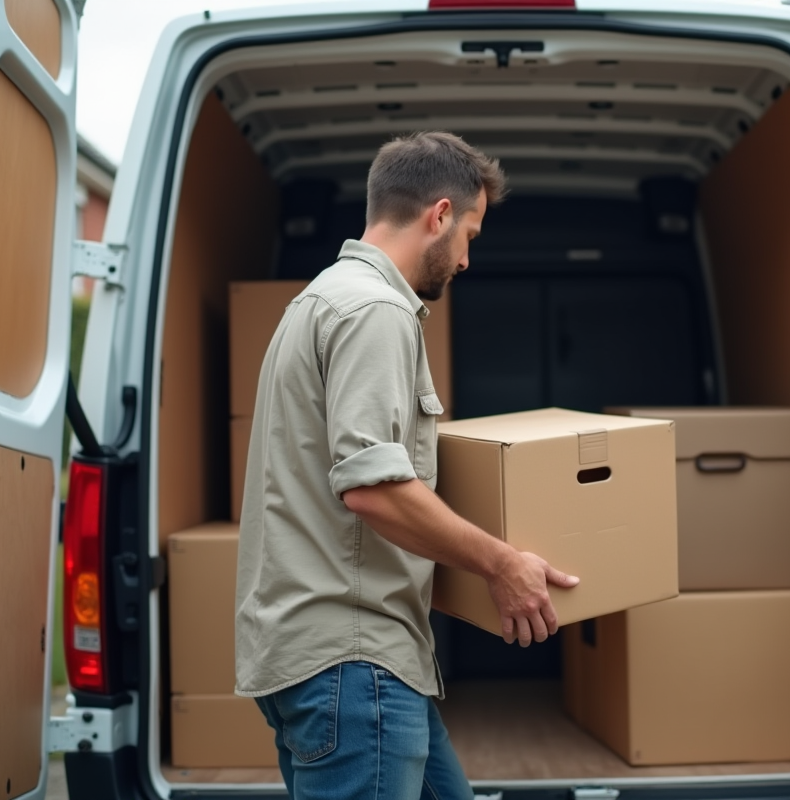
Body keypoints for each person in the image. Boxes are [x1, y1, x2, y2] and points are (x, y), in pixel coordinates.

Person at [233, 131, 579, 800]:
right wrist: (502, 565)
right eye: (471, 234)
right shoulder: (378, 312)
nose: (468, 260)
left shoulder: (322, 298)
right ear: (440, 214)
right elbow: (375, 491)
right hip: (354, 667)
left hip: (352, 663)